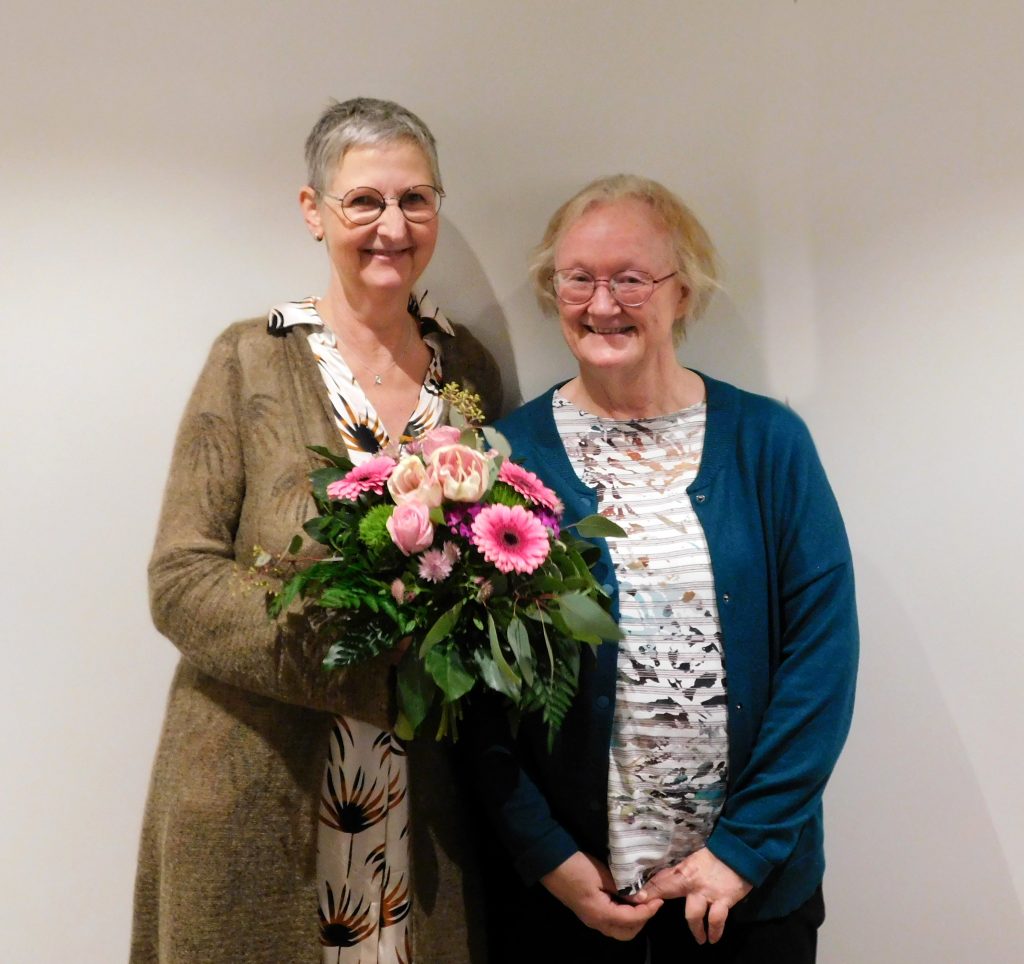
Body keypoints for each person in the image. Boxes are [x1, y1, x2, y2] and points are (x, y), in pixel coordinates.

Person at [131, 97, 501, 964]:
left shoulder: (469, 366)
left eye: (416, 200)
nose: (392, 226)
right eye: (363, 201)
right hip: (254, 791)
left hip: (420, 803)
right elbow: (181, 579)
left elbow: (493, 558)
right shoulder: (249, 358)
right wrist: (362, 662)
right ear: (313, 211)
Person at [467, 174, 857, 963]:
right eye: (578, 278)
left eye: (632, 279)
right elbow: (476, 695)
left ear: (683, 293)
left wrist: (743, 851)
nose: (602, 305)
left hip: (745, 899)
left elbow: (822, 661)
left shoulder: (768, 444)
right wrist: (548, 857)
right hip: (574, 903)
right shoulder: (504, 461)